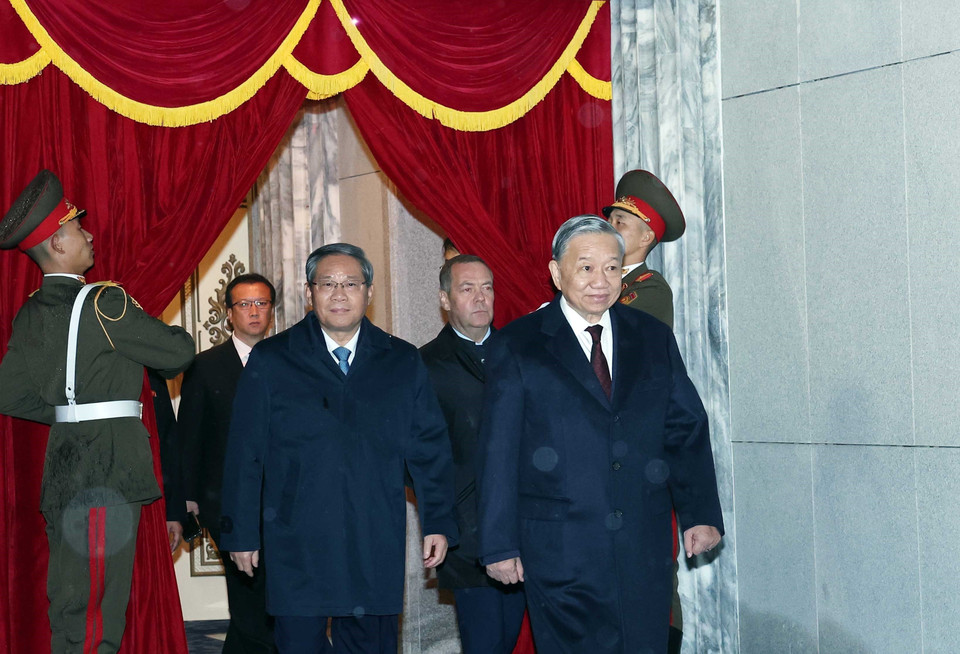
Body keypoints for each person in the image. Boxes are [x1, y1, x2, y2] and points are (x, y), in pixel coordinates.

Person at [477, 215, 723, 653]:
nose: (600, 281)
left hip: (642, 545)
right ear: (556, 272)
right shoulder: (519, 343)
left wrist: (700, 511)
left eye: (611, 267)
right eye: (586, 267)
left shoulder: (651, 337)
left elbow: (684, 427)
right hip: (559, 548)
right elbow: (498, 450)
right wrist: (498, 544)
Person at [219, 243, 458, 654]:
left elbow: (429, 447)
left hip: (372, 532)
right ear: (309, 293)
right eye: (327, 284)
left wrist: (437, 520)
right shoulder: (273, 360)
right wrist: (240, 532)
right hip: (297, 535)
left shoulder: (399, 360)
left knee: (371, 645)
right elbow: (245, 454)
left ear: (369, 292)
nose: (339, 294)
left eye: (351, 283)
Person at [0, 170, 195, 653]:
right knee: (97, 614)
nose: (89, 235)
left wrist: (71, 412)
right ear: (58, 244)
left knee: (69, 603)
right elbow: (178, 353)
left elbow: (9, 393)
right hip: (105, 472)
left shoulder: (30, 312)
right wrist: (98, 412)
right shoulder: (106, 303)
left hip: (63, 471)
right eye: (77, 228)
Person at [420, 255, 525, 654]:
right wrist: (446, 510)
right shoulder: (424, 365)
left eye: (487, 287)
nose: (481, 298)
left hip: (524, 526)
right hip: (466, 534)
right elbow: (416, 459)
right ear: (445, 300)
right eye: (467, 289)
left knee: (512, 639)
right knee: (484, 643)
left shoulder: (520, 353)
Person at [603, 168, 687, 651]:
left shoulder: (648, 291)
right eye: (611, 216)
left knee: (649, 565)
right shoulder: (594, 284)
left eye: (622, 221)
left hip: (638, 453)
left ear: (648, 235)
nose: (610, 225)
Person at [179, 272, 277, 652]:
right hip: (226, 501)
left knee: (273, 593)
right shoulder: (205, 366)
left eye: (262, 303)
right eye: (244, 304)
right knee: (247, 586)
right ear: (229, 312)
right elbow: (191, 435)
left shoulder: (287, 359)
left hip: (281, 500)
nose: (254, 312)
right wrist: (189, 497)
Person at [602, 169, 686, 329]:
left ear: (645, 238)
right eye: (609, 221)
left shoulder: (653, 289)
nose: (608, 228)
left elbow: (607, 328)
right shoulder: (598, 276)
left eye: (619, 223)